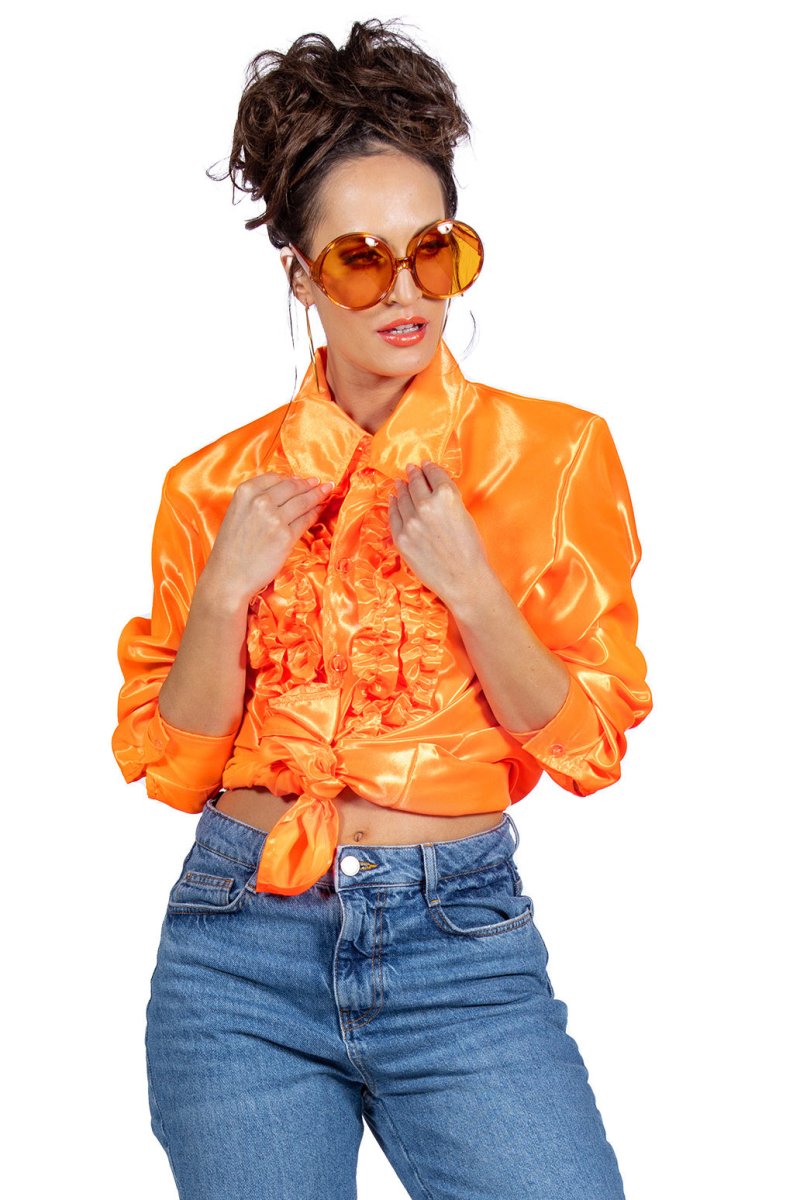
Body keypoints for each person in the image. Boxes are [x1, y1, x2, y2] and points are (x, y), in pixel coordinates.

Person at [112, 18, 652, 1200]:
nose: (405, 289)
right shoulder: (212, 485)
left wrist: (470, 586)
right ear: (301, 274)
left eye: (433, 251)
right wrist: (223, 593)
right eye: (360, 259)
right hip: (237, 948)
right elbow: (176, 766)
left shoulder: (555, 453)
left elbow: (588, 745)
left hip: (459, 952)